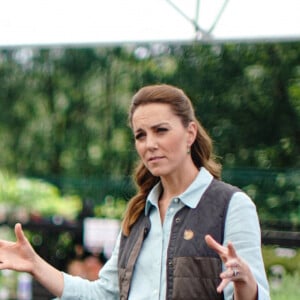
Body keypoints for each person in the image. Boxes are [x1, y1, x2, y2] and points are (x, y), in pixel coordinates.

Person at [0, 84, 270, 299]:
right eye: (141, 135)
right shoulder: (139, 214)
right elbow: (103, 294)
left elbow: (251, 295)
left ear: (190, 133)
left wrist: (245, 281)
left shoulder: (231, 205)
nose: (149, 144)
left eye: (160, 130)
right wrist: (36, 265)